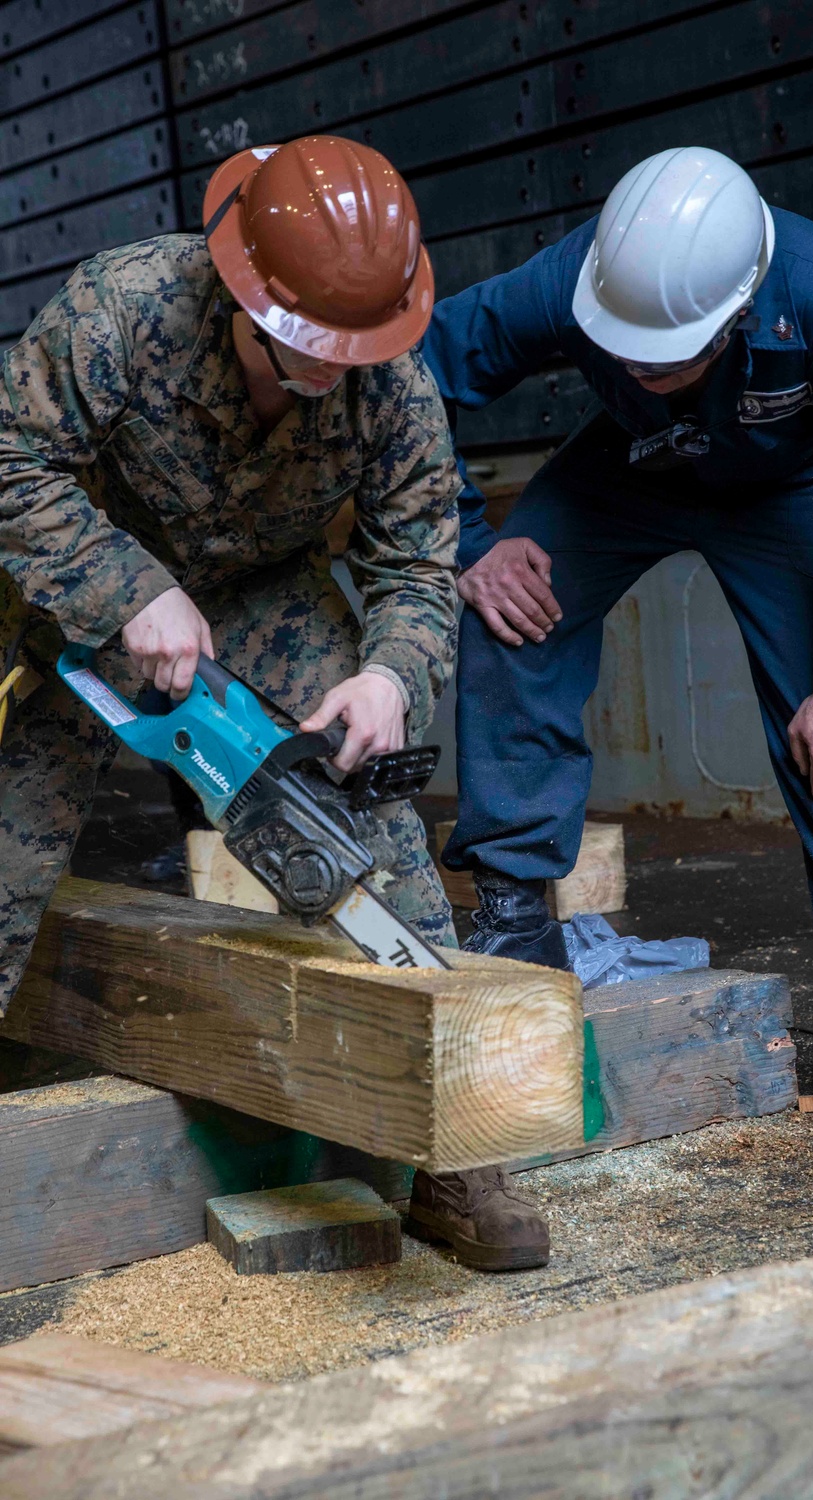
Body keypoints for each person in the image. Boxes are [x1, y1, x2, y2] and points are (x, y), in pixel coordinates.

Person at [0, 134, 549, 1271]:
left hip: (261, 585)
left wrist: (390, 676)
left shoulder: (393, 382)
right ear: (243, 291)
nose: (328, 378)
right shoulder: (120, 306)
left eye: (347, 359)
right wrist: (125, 588)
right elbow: (11, 465)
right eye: (303, 356)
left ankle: (447, 1157)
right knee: (8, 841)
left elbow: (413, 567)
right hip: (72, 580)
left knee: (364, 822)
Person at [422, 145, 813, 1163]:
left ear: (741, 310)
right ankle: (512, 920)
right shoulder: (576, 277)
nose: (634, 366)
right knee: (509, 616)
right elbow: (418, 375)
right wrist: (469, 544)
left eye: (661, 356)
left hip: (784, 487)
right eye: (620, 351)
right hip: (633, 465)